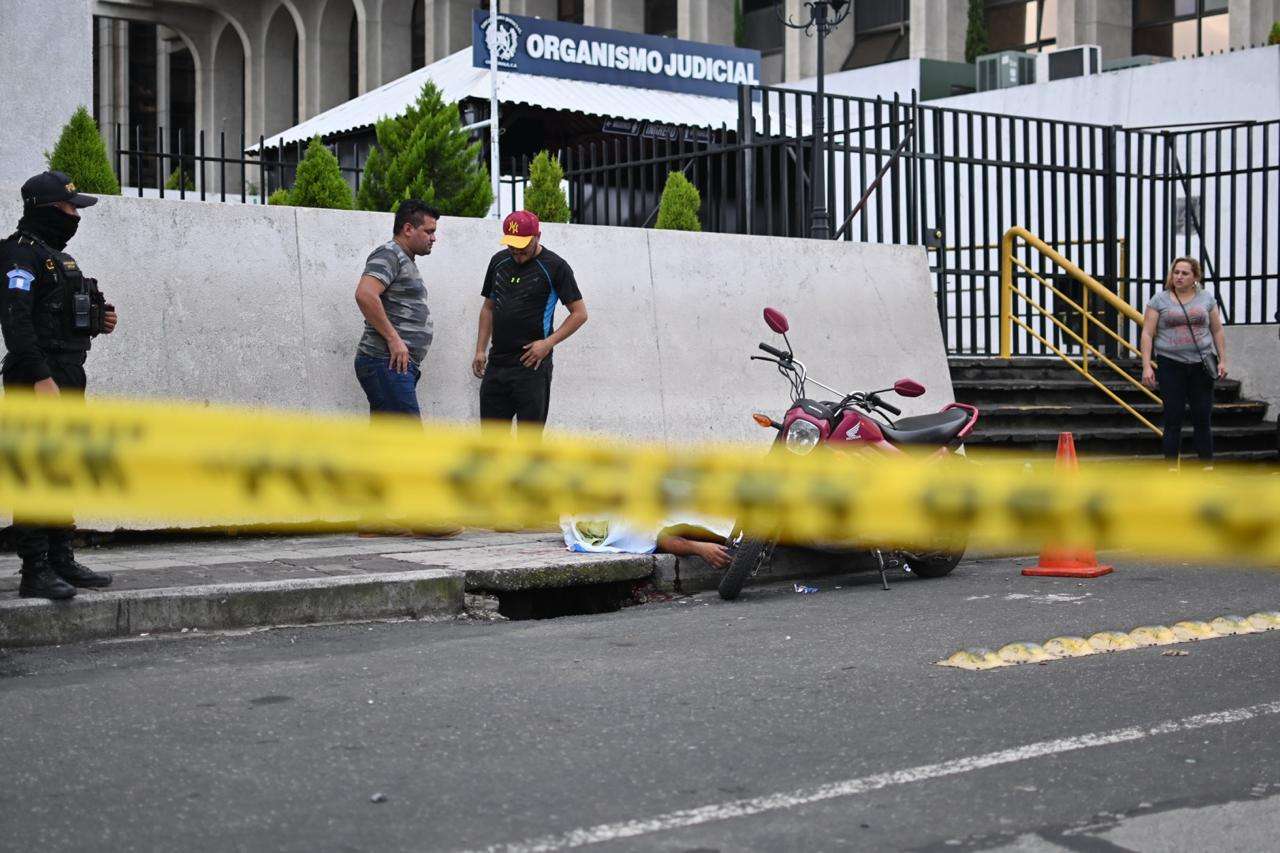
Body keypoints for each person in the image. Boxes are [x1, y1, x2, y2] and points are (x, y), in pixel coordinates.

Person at [1, 171, 118, 599]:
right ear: (48, 210)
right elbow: (16, 325)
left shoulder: (58, 258)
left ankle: (61, 559)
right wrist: (41, 378)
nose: (75, 216)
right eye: (70, 208)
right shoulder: (18, 256)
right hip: (37, 378)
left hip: (67, 374)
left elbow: (64, 311)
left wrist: (100, 320)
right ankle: (35, 570)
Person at [472, 211, 587, 432]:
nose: (517, 252)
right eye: (511, 246)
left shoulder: (555, 266)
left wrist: (548, 344)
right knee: (491, 441)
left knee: (529, 442)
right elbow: (488, 308)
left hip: (532, 366)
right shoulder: (499, 261)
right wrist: (480, 350)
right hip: (497, 364)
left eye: (522, 246)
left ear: (538, 236)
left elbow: (579, 313)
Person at [1140, 257, 1228, 469]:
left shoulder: (1206, 298)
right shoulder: (1159, 300)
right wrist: (1146, 365)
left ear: (1195, 277)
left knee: (1202, 417)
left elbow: (1217, 330)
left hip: (1202, 364)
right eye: (1176, 272)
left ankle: (1207, 468)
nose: (1178, 277)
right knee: (1173, 417)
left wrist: (1223, 360)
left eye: (1184, 273)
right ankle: (1172, 469)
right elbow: (1147, 333)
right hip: (1170, 364)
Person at [354, 200, 439, 417]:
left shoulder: (404, 259)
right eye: (429, 231)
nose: (434, 238)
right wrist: (394, 339)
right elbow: (365, 294)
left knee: (387, 446)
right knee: (408, 444)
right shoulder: (389, 254)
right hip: (385, 361)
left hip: (394, 364)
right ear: (408, 229)